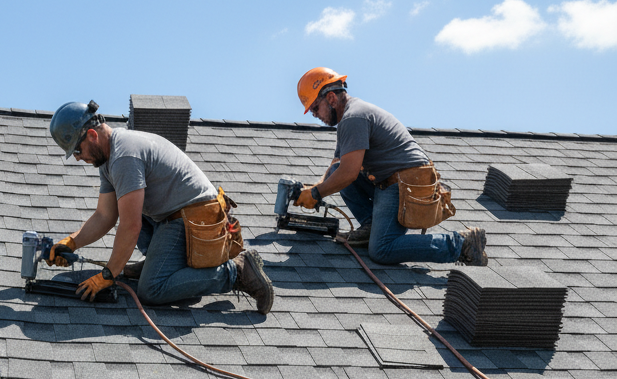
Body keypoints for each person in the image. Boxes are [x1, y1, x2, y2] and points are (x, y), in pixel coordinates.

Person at [46, 100, 274, 313]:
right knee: (127, 204)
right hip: (175, 215)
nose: (77, 158)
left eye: (77, 150)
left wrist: (108, 274)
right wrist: (72, 242)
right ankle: (161, 262)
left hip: (194, 218)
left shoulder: (124, 156)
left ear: (93, 135)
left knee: (151, 289)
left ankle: (237, 272)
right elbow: (105, 215)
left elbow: (130, 226)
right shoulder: (109, 158)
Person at [295, 68, 488, 266]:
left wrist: (316, 194)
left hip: (405, 182)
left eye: (315, 108)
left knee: (381, 250)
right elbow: (338, 165)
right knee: (336, 173)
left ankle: (460, 244)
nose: (314, 114)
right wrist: (313, 188)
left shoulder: (354, 118)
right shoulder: (349, 117)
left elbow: (349, 173)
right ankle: (373, 226)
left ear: (331, 98)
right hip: (393, 180)